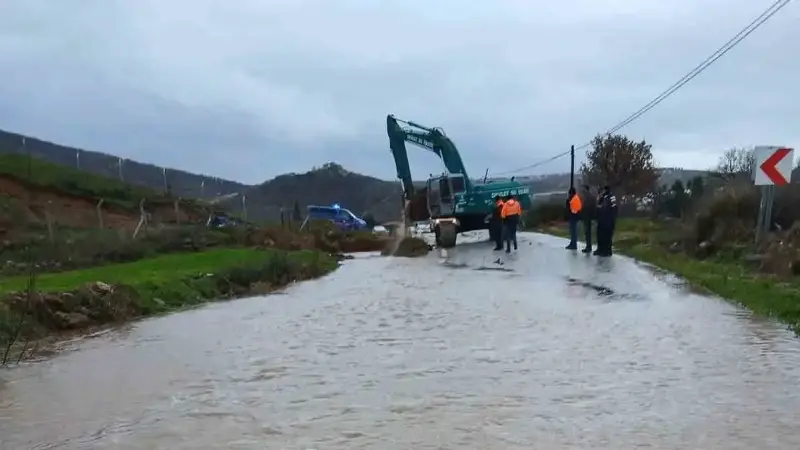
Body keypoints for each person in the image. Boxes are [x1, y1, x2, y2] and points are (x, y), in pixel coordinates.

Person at [594, 185, 618, 257]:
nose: (603, 192)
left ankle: (607, 251)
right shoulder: (602, 197)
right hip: (602, 220)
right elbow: (598, 206)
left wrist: (612, 217)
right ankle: (601, 249)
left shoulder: (611, 197)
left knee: (607, 236)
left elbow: (614, 208)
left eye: (604, 190)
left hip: (608, 220)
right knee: (601, 236)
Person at [580, 184, 595, 253]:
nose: (582, 190)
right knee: (587, 233)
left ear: (586, 189)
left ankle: (588, 247)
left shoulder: (589, 197)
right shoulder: (587, 197)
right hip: (587, 216)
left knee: (587, 232)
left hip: (588, 216)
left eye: (583, 189)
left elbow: (589, 207)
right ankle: (588, 246)